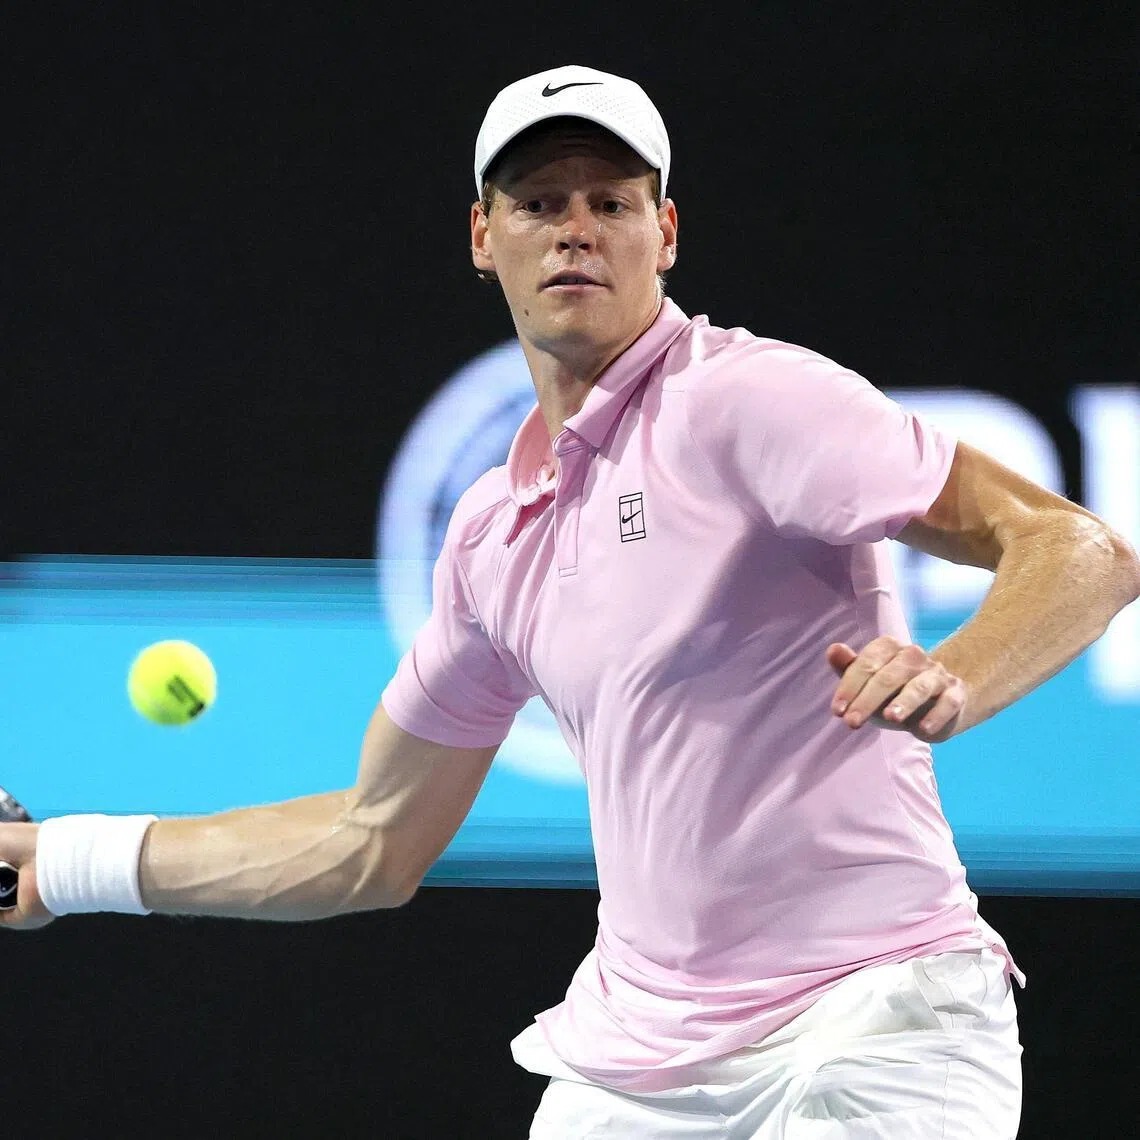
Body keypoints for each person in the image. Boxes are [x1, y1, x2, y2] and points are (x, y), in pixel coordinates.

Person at [2, 65, 1137, 1138]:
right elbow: (371, 842)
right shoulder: (496, 539)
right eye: (539, 201)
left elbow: (1079, 550)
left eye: (612, 199)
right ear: (484, 239)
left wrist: (960, 671)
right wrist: (64, 864)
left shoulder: (749, 402)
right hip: (635, 1064)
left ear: (668, 232)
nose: (577, 227)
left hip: (878, 1019)